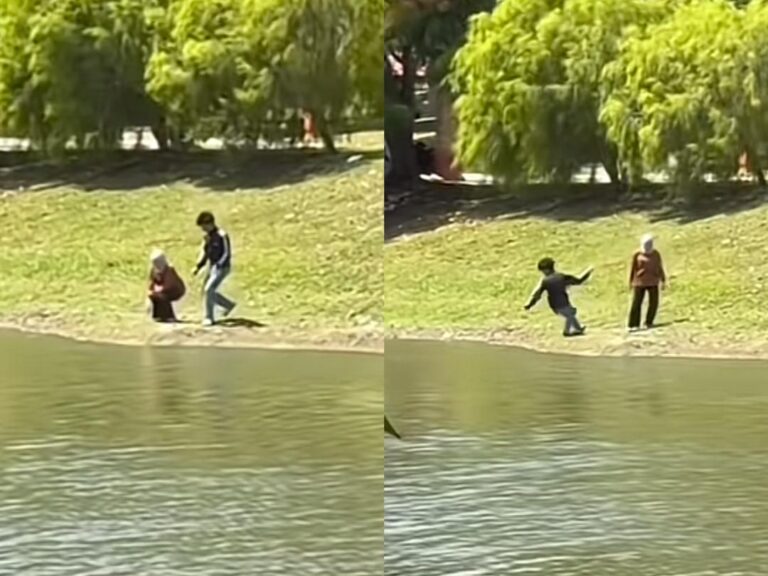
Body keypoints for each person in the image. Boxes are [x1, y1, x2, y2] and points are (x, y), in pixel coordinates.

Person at [524, 257, 593, 337]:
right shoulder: (561, 277)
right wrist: (587, 273)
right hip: (563, 302)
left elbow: (537, 294)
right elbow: (578, 281)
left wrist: (530, 304)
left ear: (546, 270)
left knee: (570, 314)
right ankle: (567, 331)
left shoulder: (545, 281)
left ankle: (578, 329)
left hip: (555, 305)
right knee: (570, 314)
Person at [193, 211, 236, 326]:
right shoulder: (207, 237)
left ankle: (209, 317)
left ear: (210, 224)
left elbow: (226, 252)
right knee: (206, 291)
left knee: (209, 290)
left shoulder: (222, 235)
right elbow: (205, 253)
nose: (203, 229)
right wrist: (199, 266)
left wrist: (220, 264)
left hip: (222, 268)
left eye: (204, 226)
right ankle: (228, 305)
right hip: (212, 267)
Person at [628, 233, 666, 331]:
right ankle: (633, 324)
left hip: (653, 282)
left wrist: (663, 279)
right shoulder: (637, 254)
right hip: (639, 282)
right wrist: (631, 281)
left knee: (653, 303)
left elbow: (659, 267)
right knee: (636, 303)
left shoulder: (656, 254)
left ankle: (649, 322)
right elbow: (633, 268)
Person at [148, 249, 185, 322]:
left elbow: (169, 285)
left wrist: (157, 291)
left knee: (162, 296)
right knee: (155, 296)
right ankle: (158, 315)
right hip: (162, 289)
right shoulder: (153, 270)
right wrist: (151, 292)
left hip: (175, 290)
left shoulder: (169, 269)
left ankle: (169, 316)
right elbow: (151, 282)